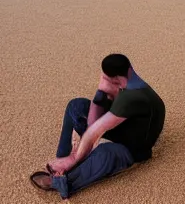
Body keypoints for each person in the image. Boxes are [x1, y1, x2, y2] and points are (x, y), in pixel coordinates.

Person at [30, 54, 166, 199]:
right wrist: (101, 91)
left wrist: (75, 158)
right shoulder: (126, 79)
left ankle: (65, 181)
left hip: (131, 149)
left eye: (107, 79)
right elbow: (96, 106)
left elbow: (94, 132)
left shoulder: (131, 98)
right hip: (119, 128)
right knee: (76, 105)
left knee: (106, 154)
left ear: (117, 79)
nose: (103, 81)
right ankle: (63, 155)